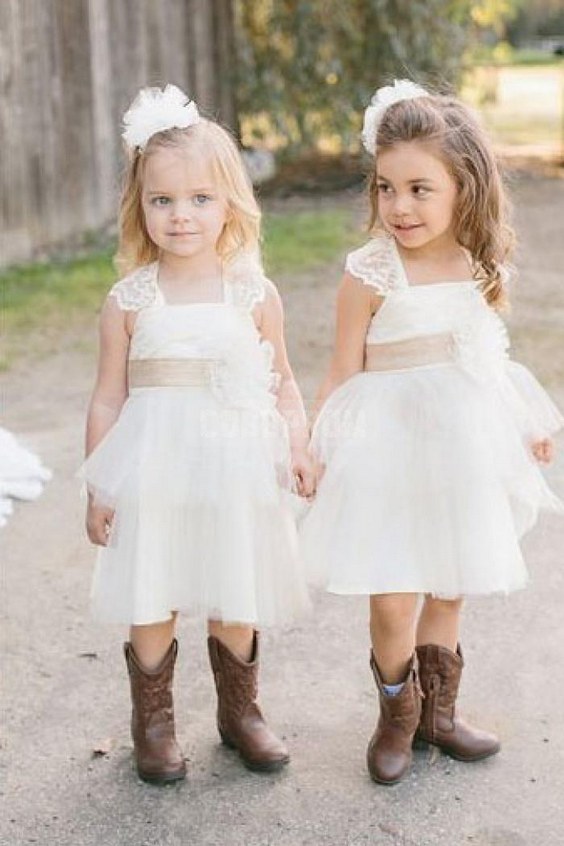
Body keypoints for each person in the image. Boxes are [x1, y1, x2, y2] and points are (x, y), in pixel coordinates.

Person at [300, 80, 563, 785]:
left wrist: (525, 422)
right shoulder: (370, 273)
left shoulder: (477, 265)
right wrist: (315, 448)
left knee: (449, 581)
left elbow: (485, 358)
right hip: (385, 450)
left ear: (464, 188)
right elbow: (339, 373)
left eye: (420, 189)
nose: (399, 207)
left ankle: (441, 716)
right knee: (393, 593)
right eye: (386, 189)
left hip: (459, 446)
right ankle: (397, 715)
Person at [81, 84, 313, 784]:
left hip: (232, 465)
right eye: (162, 201)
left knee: (233, 587)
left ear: (229, 203)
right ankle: (153, 724)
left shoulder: (252, 292)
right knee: (153, 592)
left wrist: (296, 442)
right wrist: (99, 484)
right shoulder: (130, 299)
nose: (181, 216)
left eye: (200, 199)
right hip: (154, 468)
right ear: (139, 205)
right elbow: (107, 397)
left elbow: (285, 383)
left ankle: (240, 712)